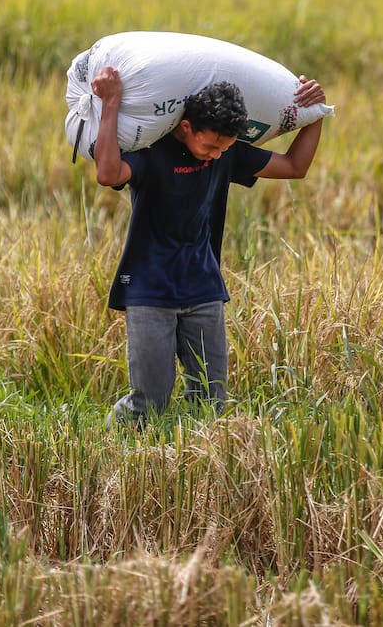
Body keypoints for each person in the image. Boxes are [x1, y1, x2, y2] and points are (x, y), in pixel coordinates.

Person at [90, 66, 326, 427]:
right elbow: (107, 174)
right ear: (187, 128)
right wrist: (110, 102)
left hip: (203, 287)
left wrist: (314, 115)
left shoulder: (227, 154)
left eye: (225, 148)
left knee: (211, 400)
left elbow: (294, 167)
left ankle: (194, 458)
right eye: (211, 145)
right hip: (149, 291)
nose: (216, 155)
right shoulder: (152, 151)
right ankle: (109, 450)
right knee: (149, 403)